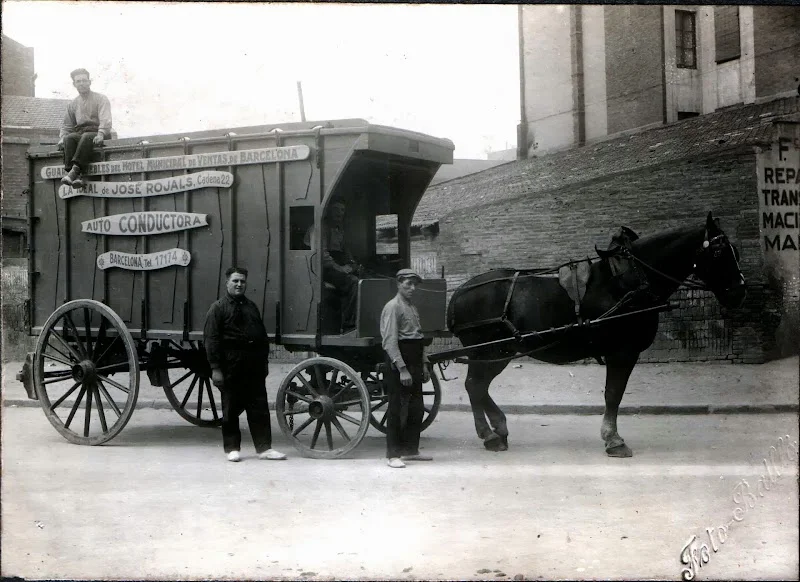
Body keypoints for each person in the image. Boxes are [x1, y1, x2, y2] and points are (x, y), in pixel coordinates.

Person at [203, 267, 286, 462]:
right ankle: (232, 448)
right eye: (235, 281)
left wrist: (264, 363)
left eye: (242, 281)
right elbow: (211, 339)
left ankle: (264, 448)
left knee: (259, 407)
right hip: (231, 365)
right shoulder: (218, 308)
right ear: (227, 283)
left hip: (254, 366)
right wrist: (215, 369)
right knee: (230, 408)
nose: (239, 284)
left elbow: (261, 336)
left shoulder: (251, 307)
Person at [379, 268, 433, 468]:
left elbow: (419, 337)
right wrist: (402, 369)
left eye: (414, 284)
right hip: (399, 359)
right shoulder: (392, 307)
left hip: (415, 358)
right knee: (396, 408)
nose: (412, 288)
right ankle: (393, 455)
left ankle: (410, 450)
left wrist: (425, 364)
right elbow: (390, 341)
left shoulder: (411, 306)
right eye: (408, 284)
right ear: (398, 284)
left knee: (416, 407)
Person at [305, 199, 361, 330]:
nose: (340, 213)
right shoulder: (318, 228)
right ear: (328, 210)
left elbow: (345, 251)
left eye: (342, 210)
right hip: (320, 270)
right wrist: (341, 269)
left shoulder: (339, 230)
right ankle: (349, 325)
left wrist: (353, 265)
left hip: (334, 267)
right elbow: (322, 256)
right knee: (353, 282)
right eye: (336, 209)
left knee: (363, 277)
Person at [57, 69, 113, 190]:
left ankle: (74, 172)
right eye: (78, 81)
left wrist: (101, 133)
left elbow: (105, 119)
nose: (81, 83)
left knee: (86, 136)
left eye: (84, 80)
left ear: (89, 82)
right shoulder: (73, 104)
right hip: (81, 134)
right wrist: (62, 138)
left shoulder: (101, 98)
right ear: (74, 84)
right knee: (69, 138)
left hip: (97, 133)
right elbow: (67, 125)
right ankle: (76, 177)